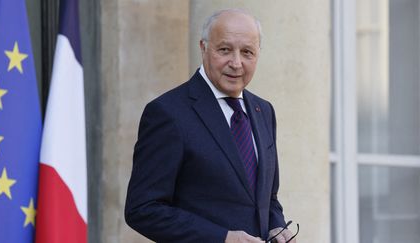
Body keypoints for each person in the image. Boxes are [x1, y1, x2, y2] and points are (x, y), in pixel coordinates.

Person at [125, 8, 296, 243]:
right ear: (203, 47)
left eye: (247, 52)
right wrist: (222, 238)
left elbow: (268, 198)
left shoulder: (263, 110)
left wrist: (276, 226)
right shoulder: (168, 113)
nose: (236, 63)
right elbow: (142, 209)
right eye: (225, 50)